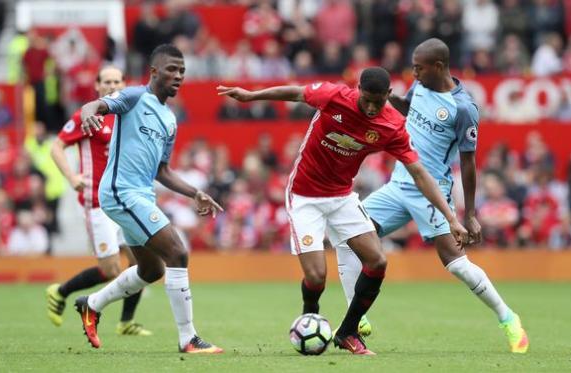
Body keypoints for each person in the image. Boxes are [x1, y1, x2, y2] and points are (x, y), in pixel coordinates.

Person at [217, 67, 468, 355]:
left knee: (377, 262)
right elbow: (296, 92)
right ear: (358, 90)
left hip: (341, 197)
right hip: (304, 195)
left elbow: (420, 174)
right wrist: (251, 97)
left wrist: (451, 218)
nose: (372, 107)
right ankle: (310, 318)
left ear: (388, 95)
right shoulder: (334, 96)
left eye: (379, 101)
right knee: (316, 278)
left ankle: (348, 332)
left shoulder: (393, 126)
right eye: (367, 100)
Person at [335, 38, 529, 354]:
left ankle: (508, 318)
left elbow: (468, 163)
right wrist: (387, 99)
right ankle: (357, 318)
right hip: (398, 185)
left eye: (419, 67)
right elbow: (411, 110)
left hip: (431, 193)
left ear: (438, 67)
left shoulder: (464, 108)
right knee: (346, 233)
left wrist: (469, 214)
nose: (414, 72)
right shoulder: (421, 87)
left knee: (455, 263)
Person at [75, 44, 223, 354]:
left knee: (152, 271)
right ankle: (188, 339)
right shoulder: (133, 97)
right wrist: (89, 114)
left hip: (141, 194)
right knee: (178, 253)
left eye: (182, 71)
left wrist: (194, 192)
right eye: (172, 69)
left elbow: (163, 171)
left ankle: (92, 303)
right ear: (154, 71)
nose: (178, 76)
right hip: (120, 191)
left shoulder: (170, 119)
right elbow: (95, 106)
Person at [46, 66, 151, 337]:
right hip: (97, 202)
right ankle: (61, 291)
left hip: (126, 199)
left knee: (143, 262)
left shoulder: (128, 115)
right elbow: (56, 146)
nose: (112, 85)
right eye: (107, 81)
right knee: (111, 269)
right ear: (97, 85)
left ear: (124, 84)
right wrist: (71, 177)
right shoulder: (89, 114)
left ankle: (126, 321)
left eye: (117, 81)